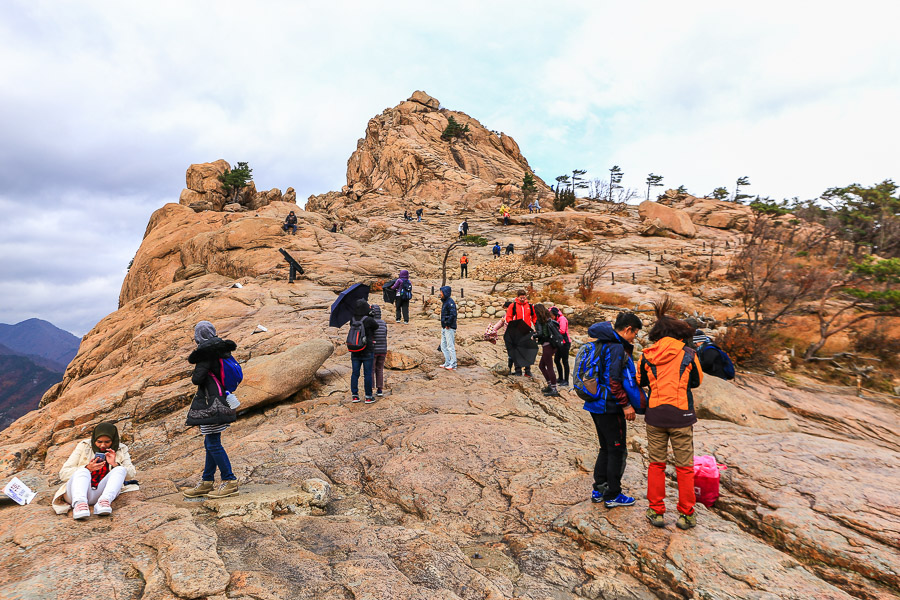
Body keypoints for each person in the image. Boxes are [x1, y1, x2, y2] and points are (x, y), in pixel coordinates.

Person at [639, 298, 703, 530]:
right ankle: (686, 514)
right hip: (681, 416)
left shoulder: (647, 354)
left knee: (656, 464)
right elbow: (695, 381)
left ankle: (656, 510)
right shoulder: (688, 353)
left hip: (655, 414)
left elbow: (641, 381)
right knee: (684, 466)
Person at [574, 313, 645, 509]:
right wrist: (626, 405)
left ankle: (599, 489)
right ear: (628, 329)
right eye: (635, 334)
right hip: (609, 406)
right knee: (617, 450)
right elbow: (614, 381)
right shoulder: (616, 348)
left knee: (605, 448)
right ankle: (613, 494)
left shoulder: (602, 344)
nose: (634, 338)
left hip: (595, 404)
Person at [183, 321, 240, 499]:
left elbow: (197, 378)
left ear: (198, 336)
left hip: (211, 403)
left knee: (213, 443)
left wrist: (199, 365)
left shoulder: (205, 353)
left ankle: (229, 480)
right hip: (222, 399)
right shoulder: (222, 349)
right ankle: (207, 481)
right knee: (210, 442)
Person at [52, 422, 137, 519]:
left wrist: (114, 464)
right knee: (83, 471)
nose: (103, 445)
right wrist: (88, 468)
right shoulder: (84, 446)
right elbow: (63, 473)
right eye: (99, 442)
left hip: (102, 492)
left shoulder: (121, 448)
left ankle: (104, 502)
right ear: (94, 439)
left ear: (113, 440)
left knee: (120, 469)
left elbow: (131, 474)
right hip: (78, 492)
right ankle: (79, 505)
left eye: (107, 442)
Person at [348, 299, 379, 403]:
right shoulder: (369, 320)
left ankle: (355, 396)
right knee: (367, 374)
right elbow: (376, 326)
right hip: (367, 350)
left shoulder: (352, 319)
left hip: (355, 350)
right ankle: (368, 396)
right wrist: (371, 316)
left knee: (355, 373)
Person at [505, 290, 537, 377]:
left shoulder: (530, 306)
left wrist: (536, 327)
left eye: (524, 297)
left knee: (527, 351)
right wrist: (512, 325)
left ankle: (527, 370)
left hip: (527, 331)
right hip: (517, 332)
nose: (522, 299)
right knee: (517, 351)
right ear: (518, 297)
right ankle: (518, 370)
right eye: (521, 297)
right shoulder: (513, 305)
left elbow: (534, 317)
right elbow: (508, 317)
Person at [533, 304, 560, 396]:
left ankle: (554, 389)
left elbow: (540, 334)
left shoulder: (539, 321)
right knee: (541, 365)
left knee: (549, 367)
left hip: (547, 345)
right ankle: (550, 385)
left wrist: (534, 336)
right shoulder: (549, 319)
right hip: (553, 344)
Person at [550, 307, 571, 386]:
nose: (551, 317)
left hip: (565, 343)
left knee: (565, 361)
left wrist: (553, 332)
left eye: (551, 315)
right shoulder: (556, 320)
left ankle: (566, 380)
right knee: (556, 360)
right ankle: (560, 378)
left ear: (555, 314)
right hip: (559, 343)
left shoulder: (562, 319)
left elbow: (562, 330)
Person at [371, 305, 388, 398]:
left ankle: (371, 389)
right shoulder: (383, 323)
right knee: (380, 369)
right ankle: (380, 389)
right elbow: (385, 335)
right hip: (383, 349)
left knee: (372, 370)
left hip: (374, 350)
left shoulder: (371, 323)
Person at [439, 286, 458, 370]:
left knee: (450, 346)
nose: (440, 294)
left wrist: (448, 324)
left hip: (449, 327)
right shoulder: (445, 302)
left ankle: (453, 363)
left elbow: (453, 314)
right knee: (443, 345)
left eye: (441, 292)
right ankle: (447, 362)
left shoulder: (450, 302)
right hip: (444, 326)